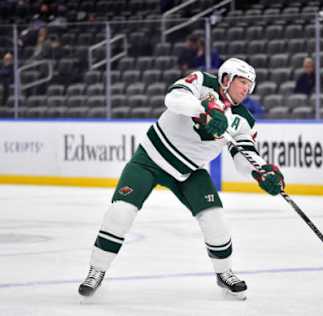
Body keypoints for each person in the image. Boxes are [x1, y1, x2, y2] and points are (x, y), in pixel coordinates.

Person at [78, 58, 285, 300]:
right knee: (120, 212)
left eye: (250, 85)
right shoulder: (201, 82)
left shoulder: (243, 119)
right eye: (242, 82)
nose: (246, 89)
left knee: (215, 219)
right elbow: (174, 99)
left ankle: (224, 272)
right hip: (150, 159)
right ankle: (97, 269)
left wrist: (261, 172)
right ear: (226, 79)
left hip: (189, 171)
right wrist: (205, 110)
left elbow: (244, 155)